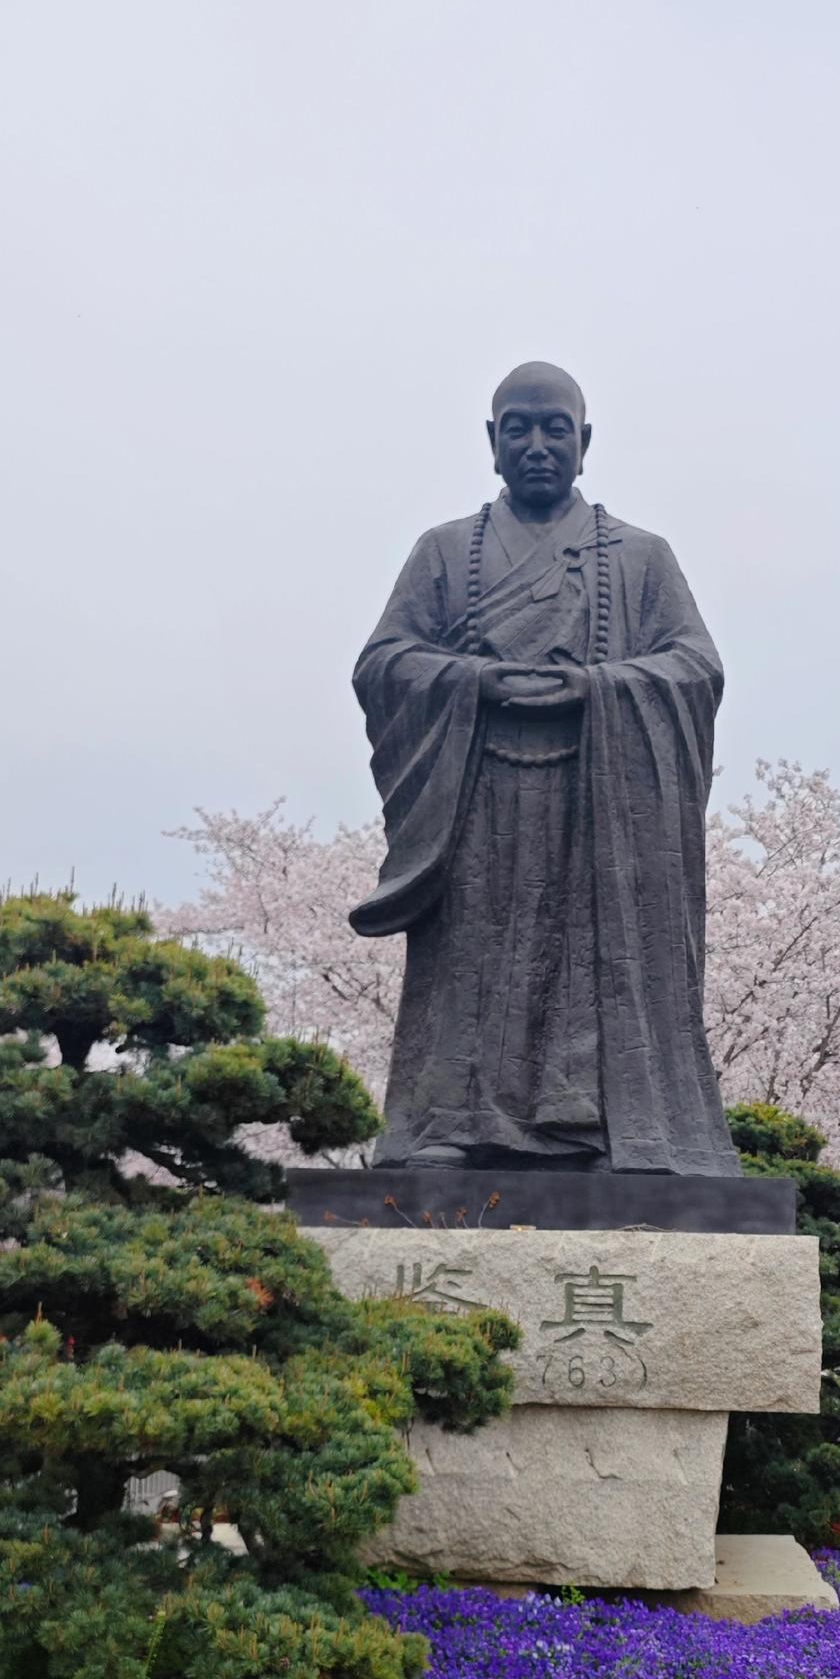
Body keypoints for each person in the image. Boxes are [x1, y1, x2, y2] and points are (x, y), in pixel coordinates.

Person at [349, 361, 739, 1175]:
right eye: (516, 427)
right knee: (471, 962)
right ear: (491, 443)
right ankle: (447, 1128)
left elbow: (695, 667)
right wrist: (478, 681)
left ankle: (599, 1129)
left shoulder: (641, 558)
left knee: (587, 967)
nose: (535, 444)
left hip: (599, 799)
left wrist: (598, 688)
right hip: (475, 791)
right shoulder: (445, 552)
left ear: (584, 441)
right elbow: (385, 661)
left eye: (554, 427)